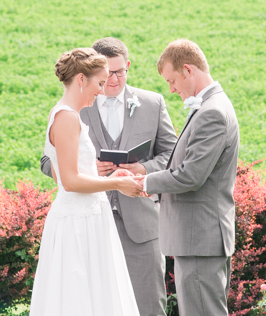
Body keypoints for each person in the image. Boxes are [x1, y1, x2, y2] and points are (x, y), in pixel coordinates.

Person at [40, 38, 177, 316]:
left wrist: (141, 170)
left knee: (140, 306)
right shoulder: (71, 112)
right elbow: (54, 165)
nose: (107, 85)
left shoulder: (152, 103)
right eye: (102, 79)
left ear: (127, 67)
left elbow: (172, 155)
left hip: (139, 225)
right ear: (84, 78)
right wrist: (101, 174)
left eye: (118, 73)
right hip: (85, 222)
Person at [30, 48, 143, 316]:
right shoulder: (67, 117)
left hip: (85, 217)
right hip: (78, 223)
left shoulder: (63, 114)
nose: (102, 90)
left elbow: (71, 173)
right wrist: (115, 185)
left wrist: (111, 176)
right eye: (100, 83)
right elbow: (68, 181)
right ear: (82, 79)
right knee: (78, 295)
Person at [142, 39, 239, 316]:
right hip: (199, 238)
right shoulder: (209, 106)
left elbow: (191, 175)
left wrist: (145, 182)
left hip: (201, 237)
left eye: (172, 80)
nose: (171, 89)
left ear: (188, 70)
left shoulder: (212, 112)